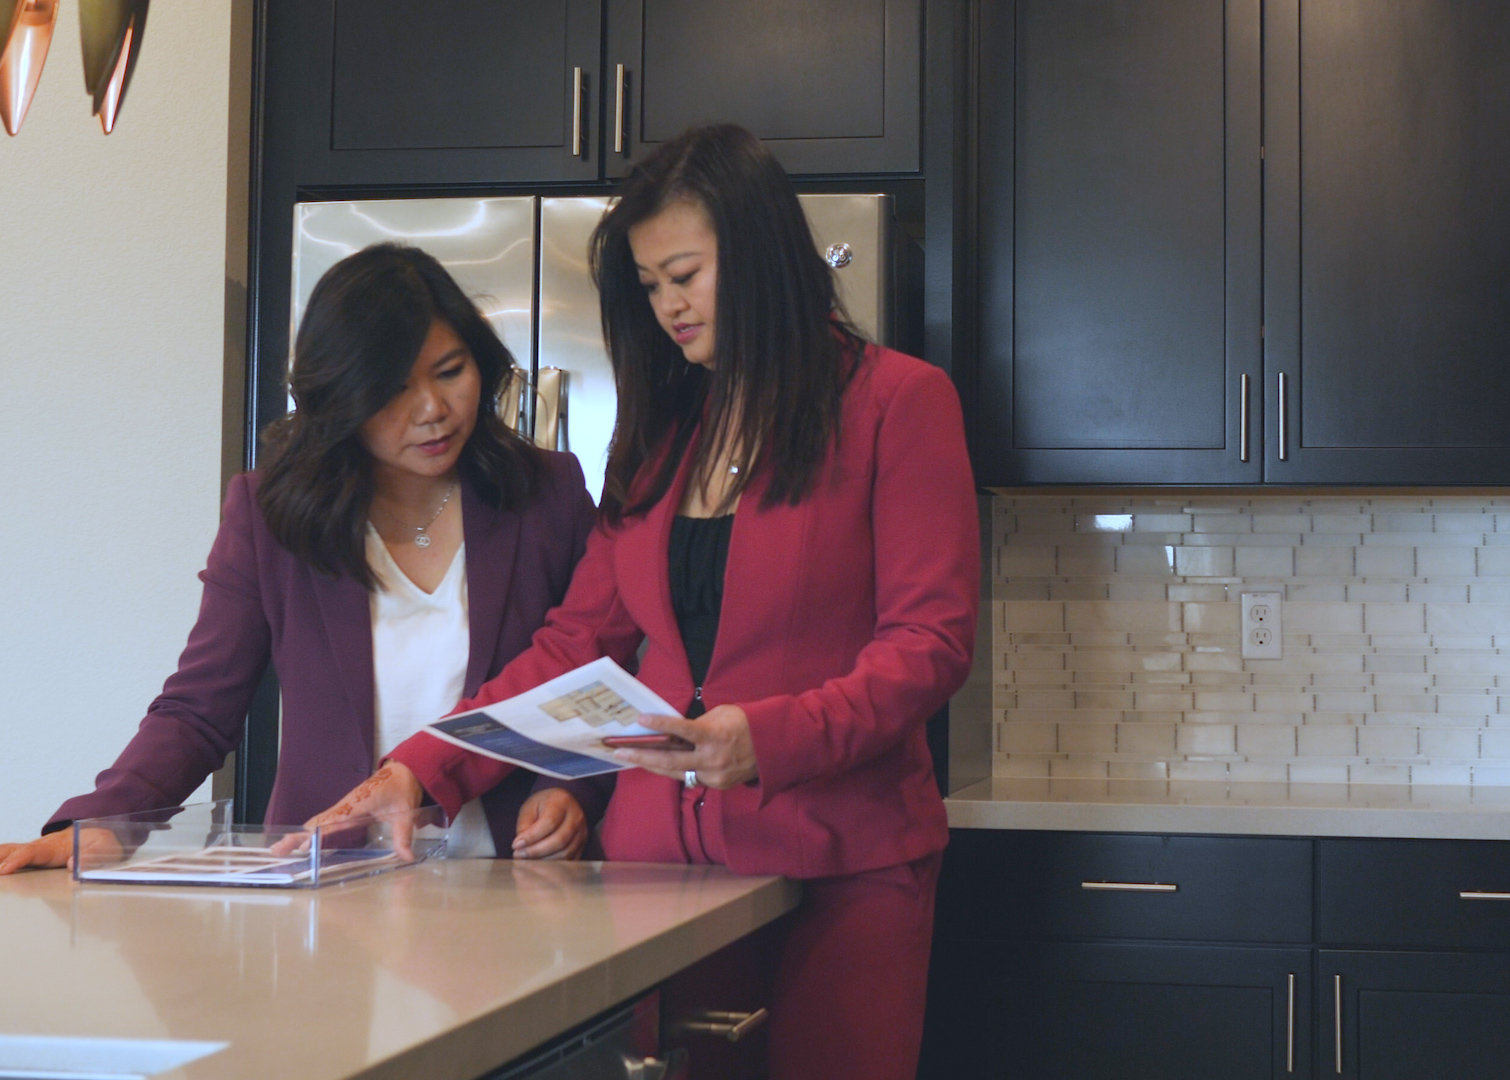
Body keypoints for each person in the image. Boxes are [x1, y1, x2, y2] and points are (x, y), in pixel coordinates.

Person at [305, 125, 979, 1079]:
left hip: (845, 864)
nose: (669, 307)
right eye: (651, 285)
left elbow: (929, 644)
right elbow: (574, 644)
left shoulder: (897, 404)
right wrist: (420, 770)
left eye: (686, 275)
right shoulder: (665, 437)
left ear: (761, 254)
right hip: (661, 877)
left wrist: (770, 739)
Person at [0, 244, 608, 874]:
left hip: (512, 876)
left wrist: (570, 789)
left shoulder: (547, 494)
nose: (432, 409)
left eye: (450, 371)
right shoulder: (271, 514)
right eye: (392, 389)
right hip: (329, 877)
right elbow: (199, 708)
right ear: (340, 397)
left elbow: (593, 673)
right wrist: (103, 824)